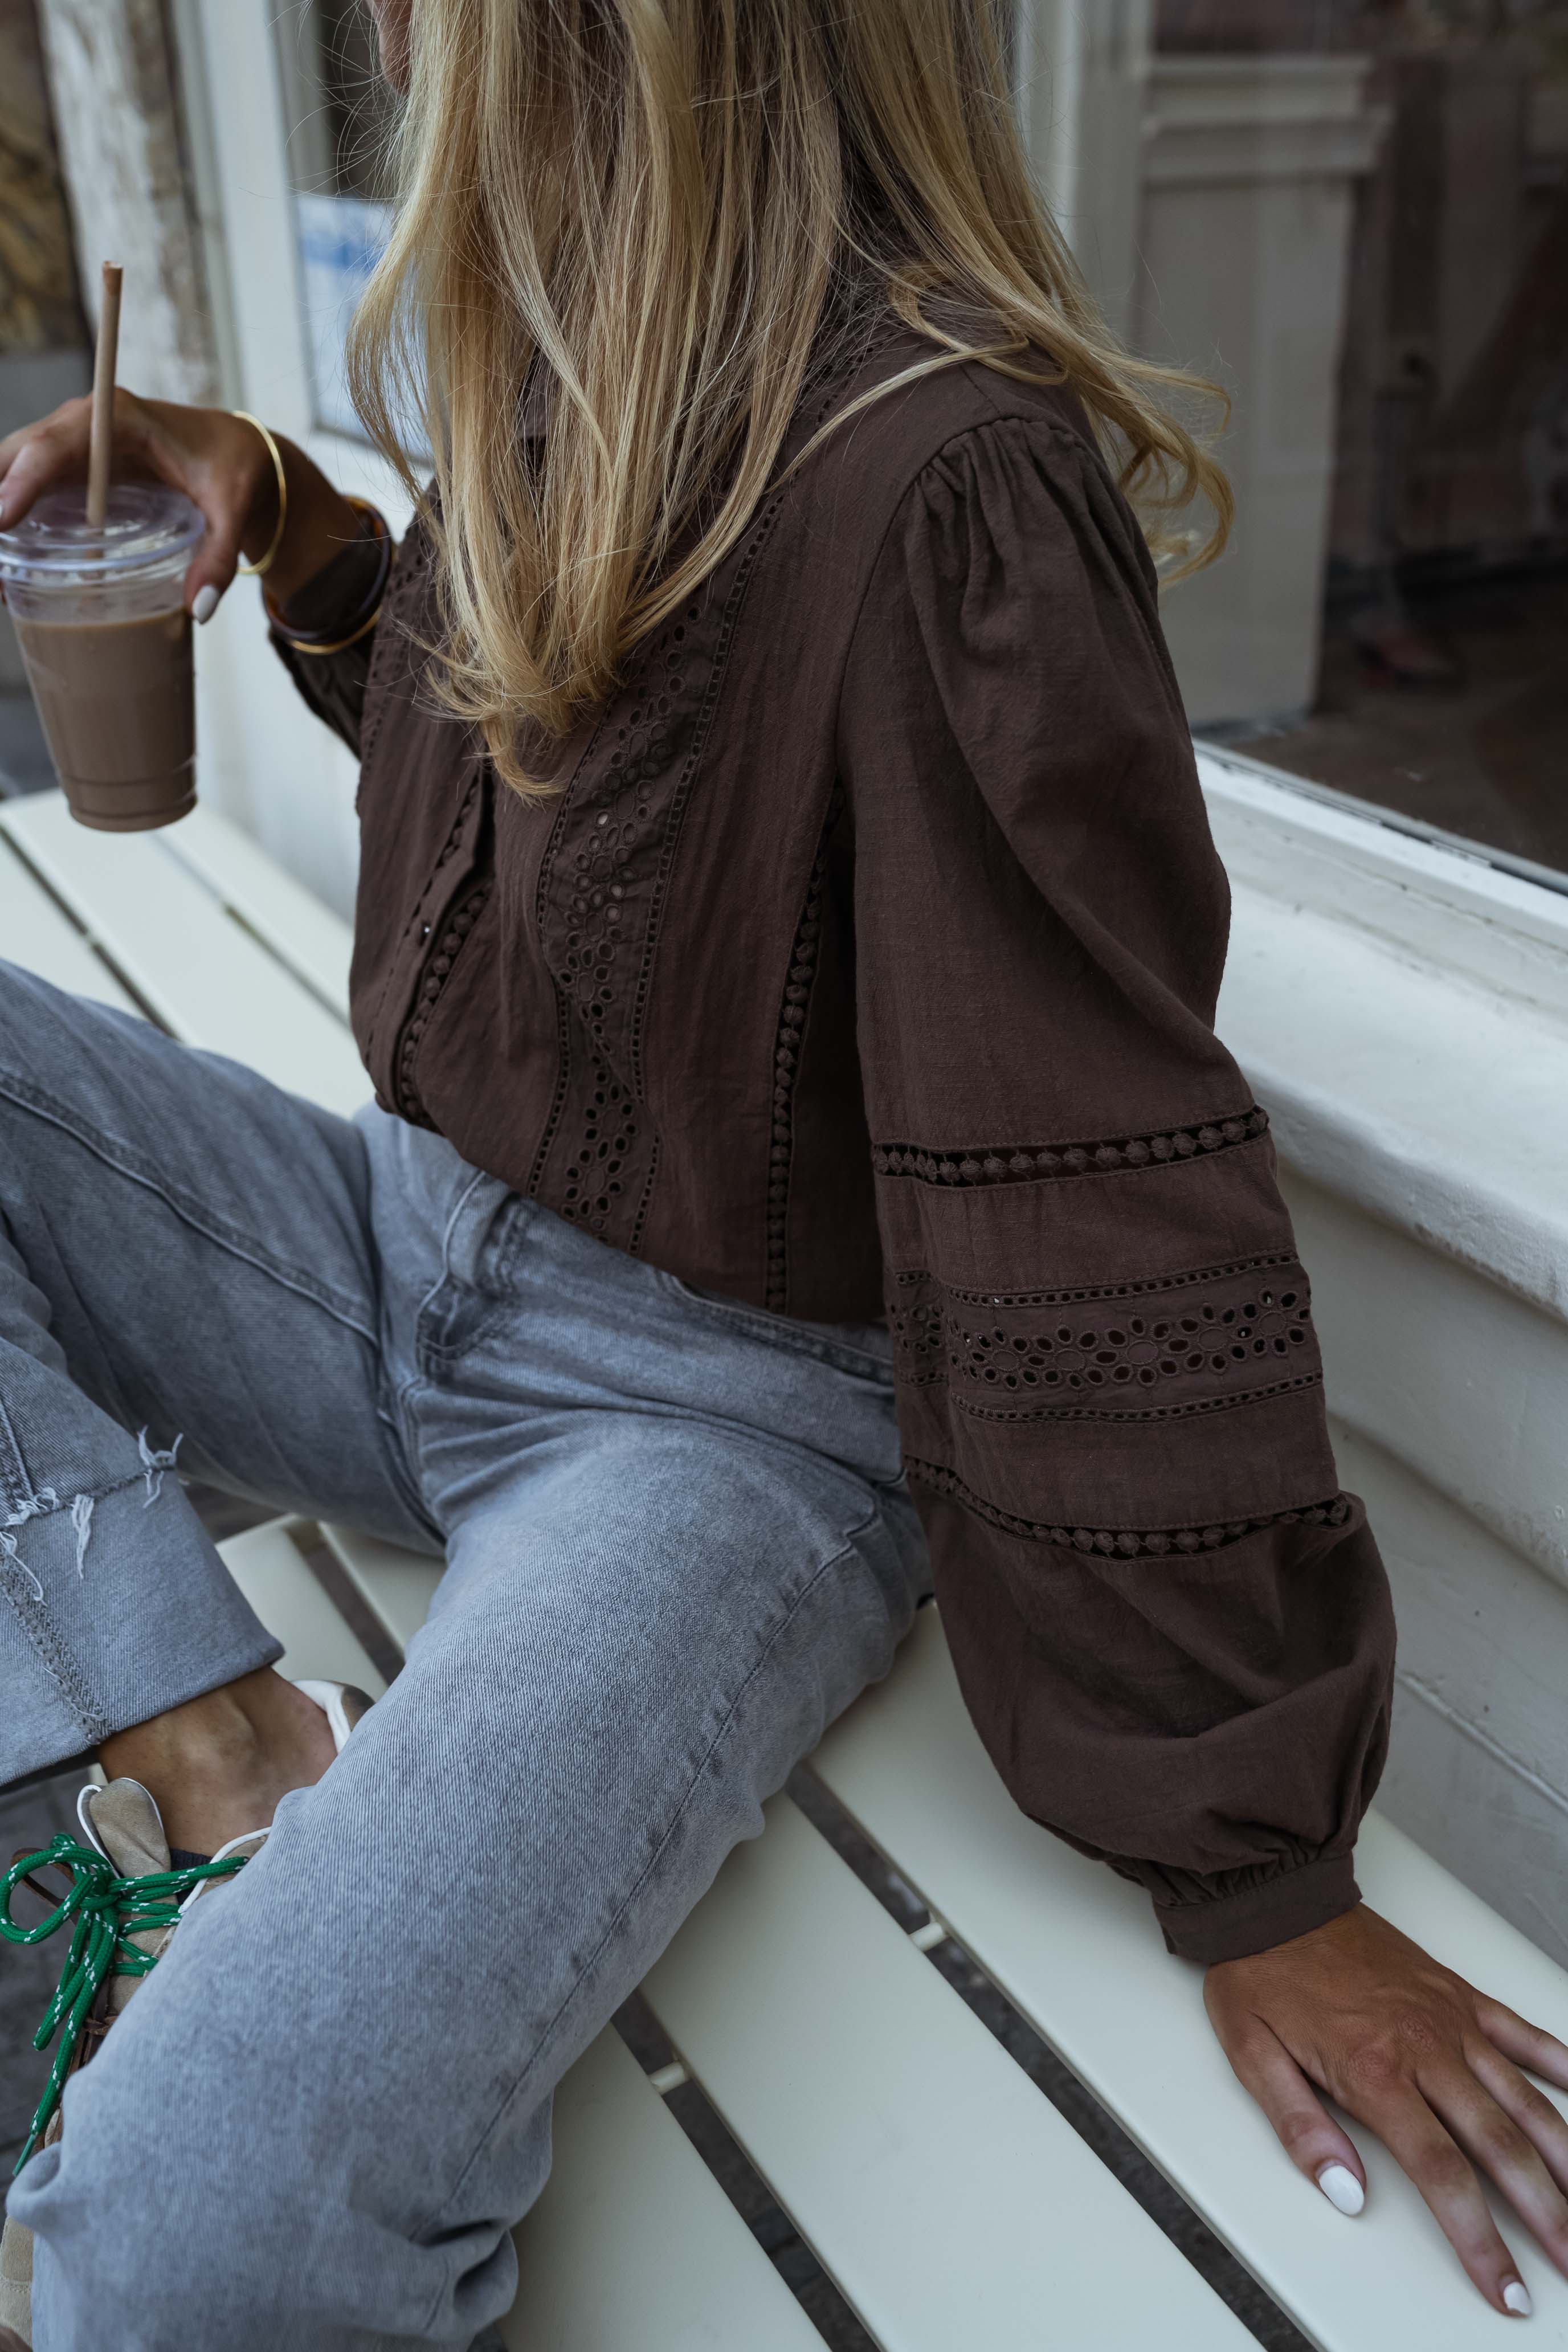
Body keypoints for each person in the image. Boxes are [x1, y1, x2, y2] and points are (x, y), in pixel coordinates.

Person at [1, 0, 1565, 2343]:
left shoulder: (944, 483)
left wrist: (1264, 1873)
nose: (387, 32)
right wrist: (309, 534)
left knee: (197, 2210)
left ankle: (150, 1840)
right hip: (401, 1244)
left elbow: (1082, 1185)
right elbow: (575, 802)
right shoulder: (572, 355)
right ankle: (201, 1733)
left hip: (708, 1424)